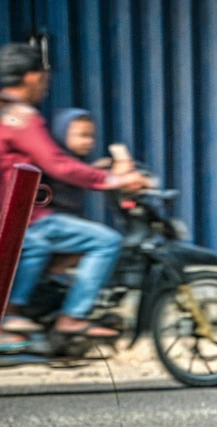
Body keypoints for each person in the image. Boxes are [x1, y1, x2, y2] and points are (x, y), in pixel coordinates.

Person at [0, 43, 150, 345]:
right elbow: (58, 165)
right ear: (31, 77)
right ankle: (71, 316)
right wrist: (111, 179)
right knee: (106, 240)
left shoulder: (5, 114)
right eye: (44, 77)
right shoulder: (21, 116)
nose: (45, 84)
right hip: (22, 217)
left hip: (19, 215)